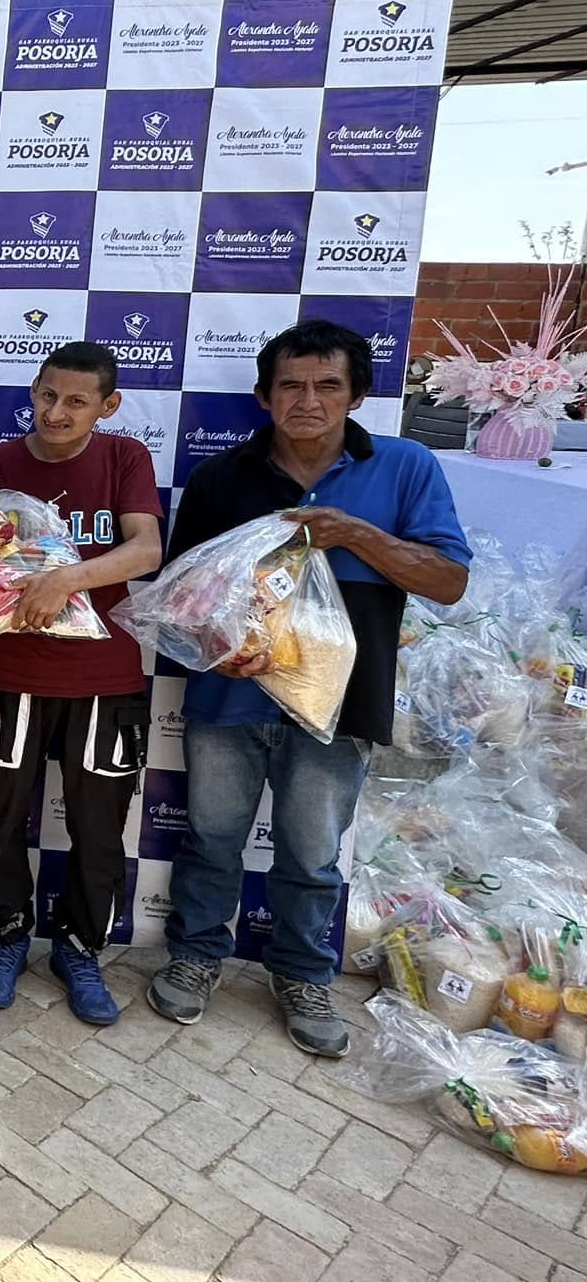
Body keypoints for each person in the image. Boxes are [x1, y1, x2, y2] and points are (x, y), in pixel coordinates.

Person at [148, 319, 471, 1057]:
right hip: (229, 699)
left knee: (312, 854)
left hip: (340, 704)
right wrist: (218, 645)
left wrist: (356, 534)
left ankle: (301, 975)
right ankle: (195, 956)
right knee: (212, 840)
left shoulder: (406, 467)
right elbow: (183, 595)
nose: (308, 400)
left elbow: (449, 581)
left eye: (328, 385)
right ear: (264, 396)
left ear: (356, 396)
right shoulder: (221, 477)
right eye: (290, 385)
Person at [0, 342, 163, 1026]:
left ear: (108, 405)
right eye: (47, 395)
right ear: (33, 391)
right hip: (9, 670)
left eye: (76, 401)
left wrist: (65, 580)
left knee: (98, 829)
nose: (56, 412)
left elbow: (147, 550)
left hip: (105, 676)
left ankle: (80, 950)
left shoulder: (124, 457)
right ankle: (6, 937)